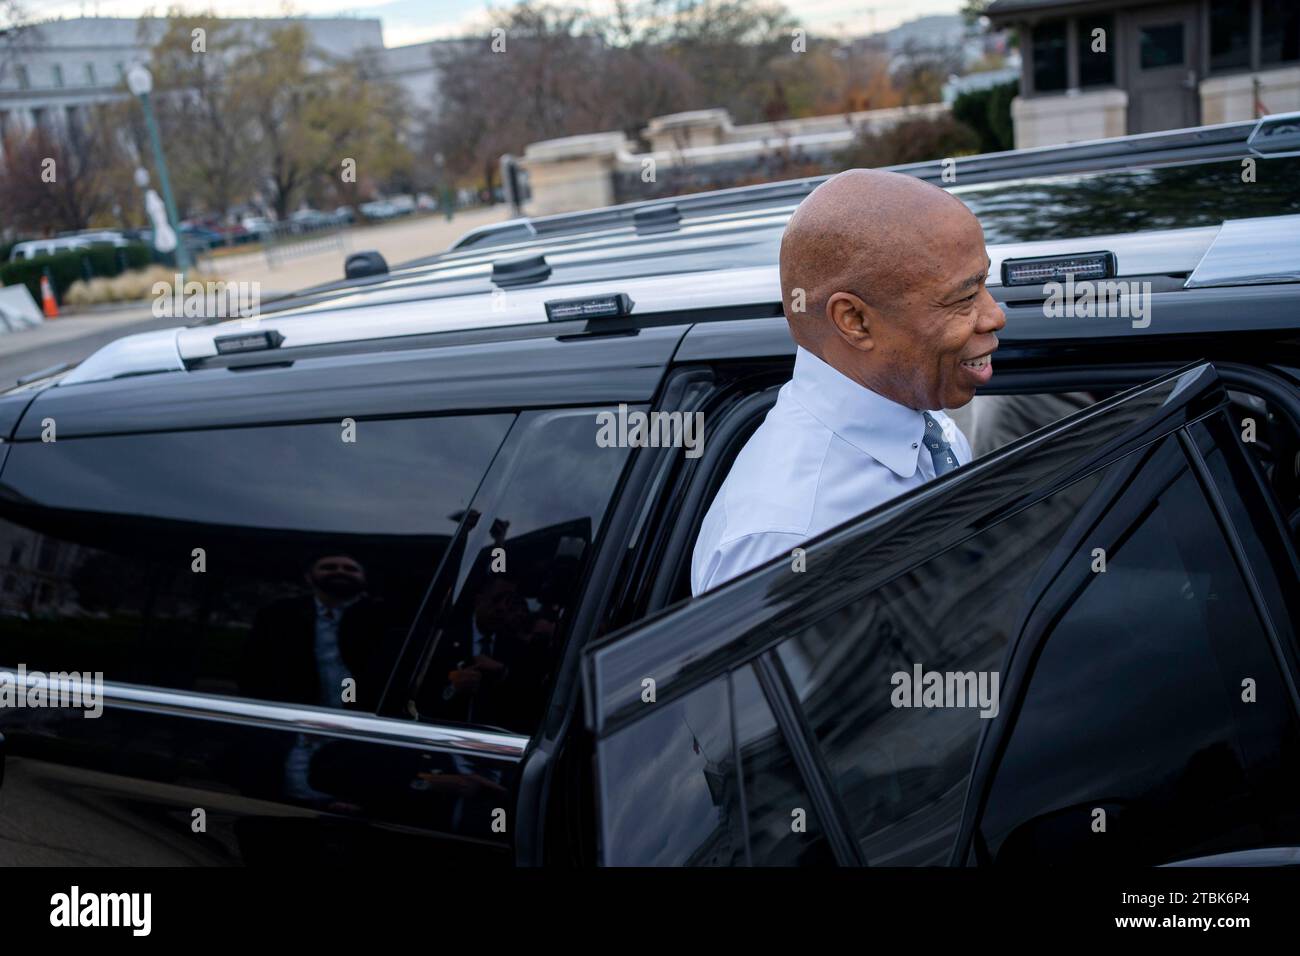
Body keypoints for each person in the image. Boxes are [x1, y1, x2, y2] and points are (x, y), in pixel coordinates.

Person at [691, 168, 1006, 595]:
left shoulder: (928, 427)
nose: (995, 315)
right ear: (854, 321)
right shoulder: (783, 540)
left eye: (984, 284)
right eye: (965, 298)